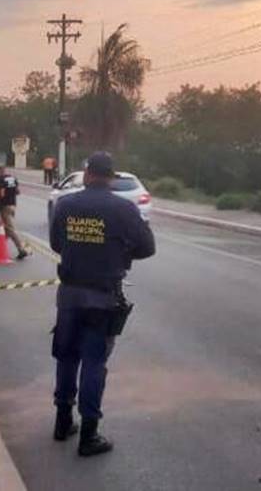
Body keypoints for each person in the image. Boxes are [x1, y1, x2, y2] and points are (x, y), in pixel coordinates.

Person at [48, 152, 155, 457]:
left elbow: (57, 244)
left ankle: (62, 421)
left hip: (69, 294)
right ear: (110, 178)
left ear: (86, 174)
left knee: (67, 357)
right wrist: (116, 252)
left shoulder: (66, 204)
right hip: (102, 296)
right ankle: (89, 435)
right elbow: (148, 248)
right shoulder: (123, 209)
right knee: (94, 363)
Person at [0, 166, 30, 260]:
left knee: (10, 229)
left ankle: (21, 249)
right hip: (13, 205)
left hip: (4, 205)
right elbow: (18, 192)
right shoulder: (13, 178)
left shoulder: (1, 180)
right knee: (6, 228)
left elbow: (1, 194)